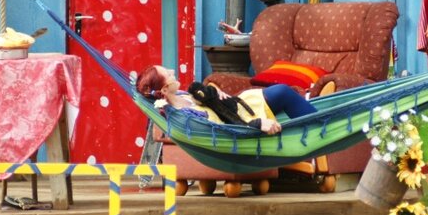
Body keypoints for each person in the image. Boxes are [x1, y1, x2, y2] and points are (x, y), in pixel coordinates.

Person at [135, 65, 316, 134]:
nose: (173, 71)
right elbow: (220, 129)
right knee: (283, 92)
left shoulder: (181, 95)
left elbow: (206, 98)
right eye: (168, 74)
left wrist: (215, 91)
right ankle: (321, 126)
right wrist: (257, 125)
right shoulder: (185, 116)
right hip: (244, 120)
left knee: (283, 92)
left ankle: (320, 121)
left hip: (241, 105)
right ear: (164, 89)